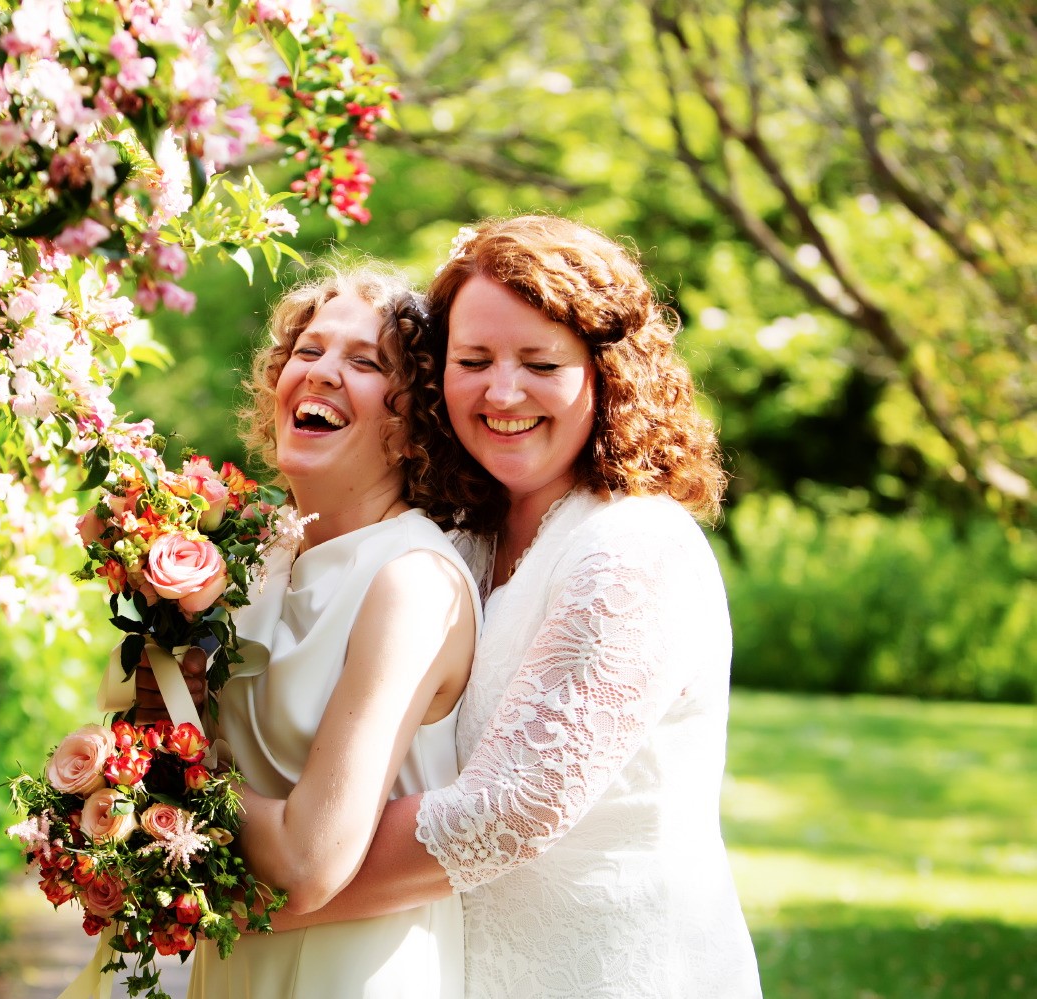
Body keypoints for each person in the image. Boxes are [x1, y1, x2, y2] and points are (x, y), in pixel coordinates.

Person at [210, 215, 762, 998]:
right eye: (473, 361)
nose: (502, 393)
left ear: (609, 374)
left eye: (540, 362)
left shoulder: (636, 547)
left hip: (608, 971)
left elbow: (505, 812)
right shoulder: (463, 538)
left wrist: (229, 891)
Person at [179, 263, 481, 998]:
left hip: (354, 974)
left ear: (418, 424)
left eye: (365, 362)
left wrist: (168, 789)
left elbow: (309, 860)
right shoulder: (257, 556)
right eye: (308, 351)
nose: (320, 373)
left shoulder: (411, 581)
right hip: (237, 968)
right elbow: (142, 714)